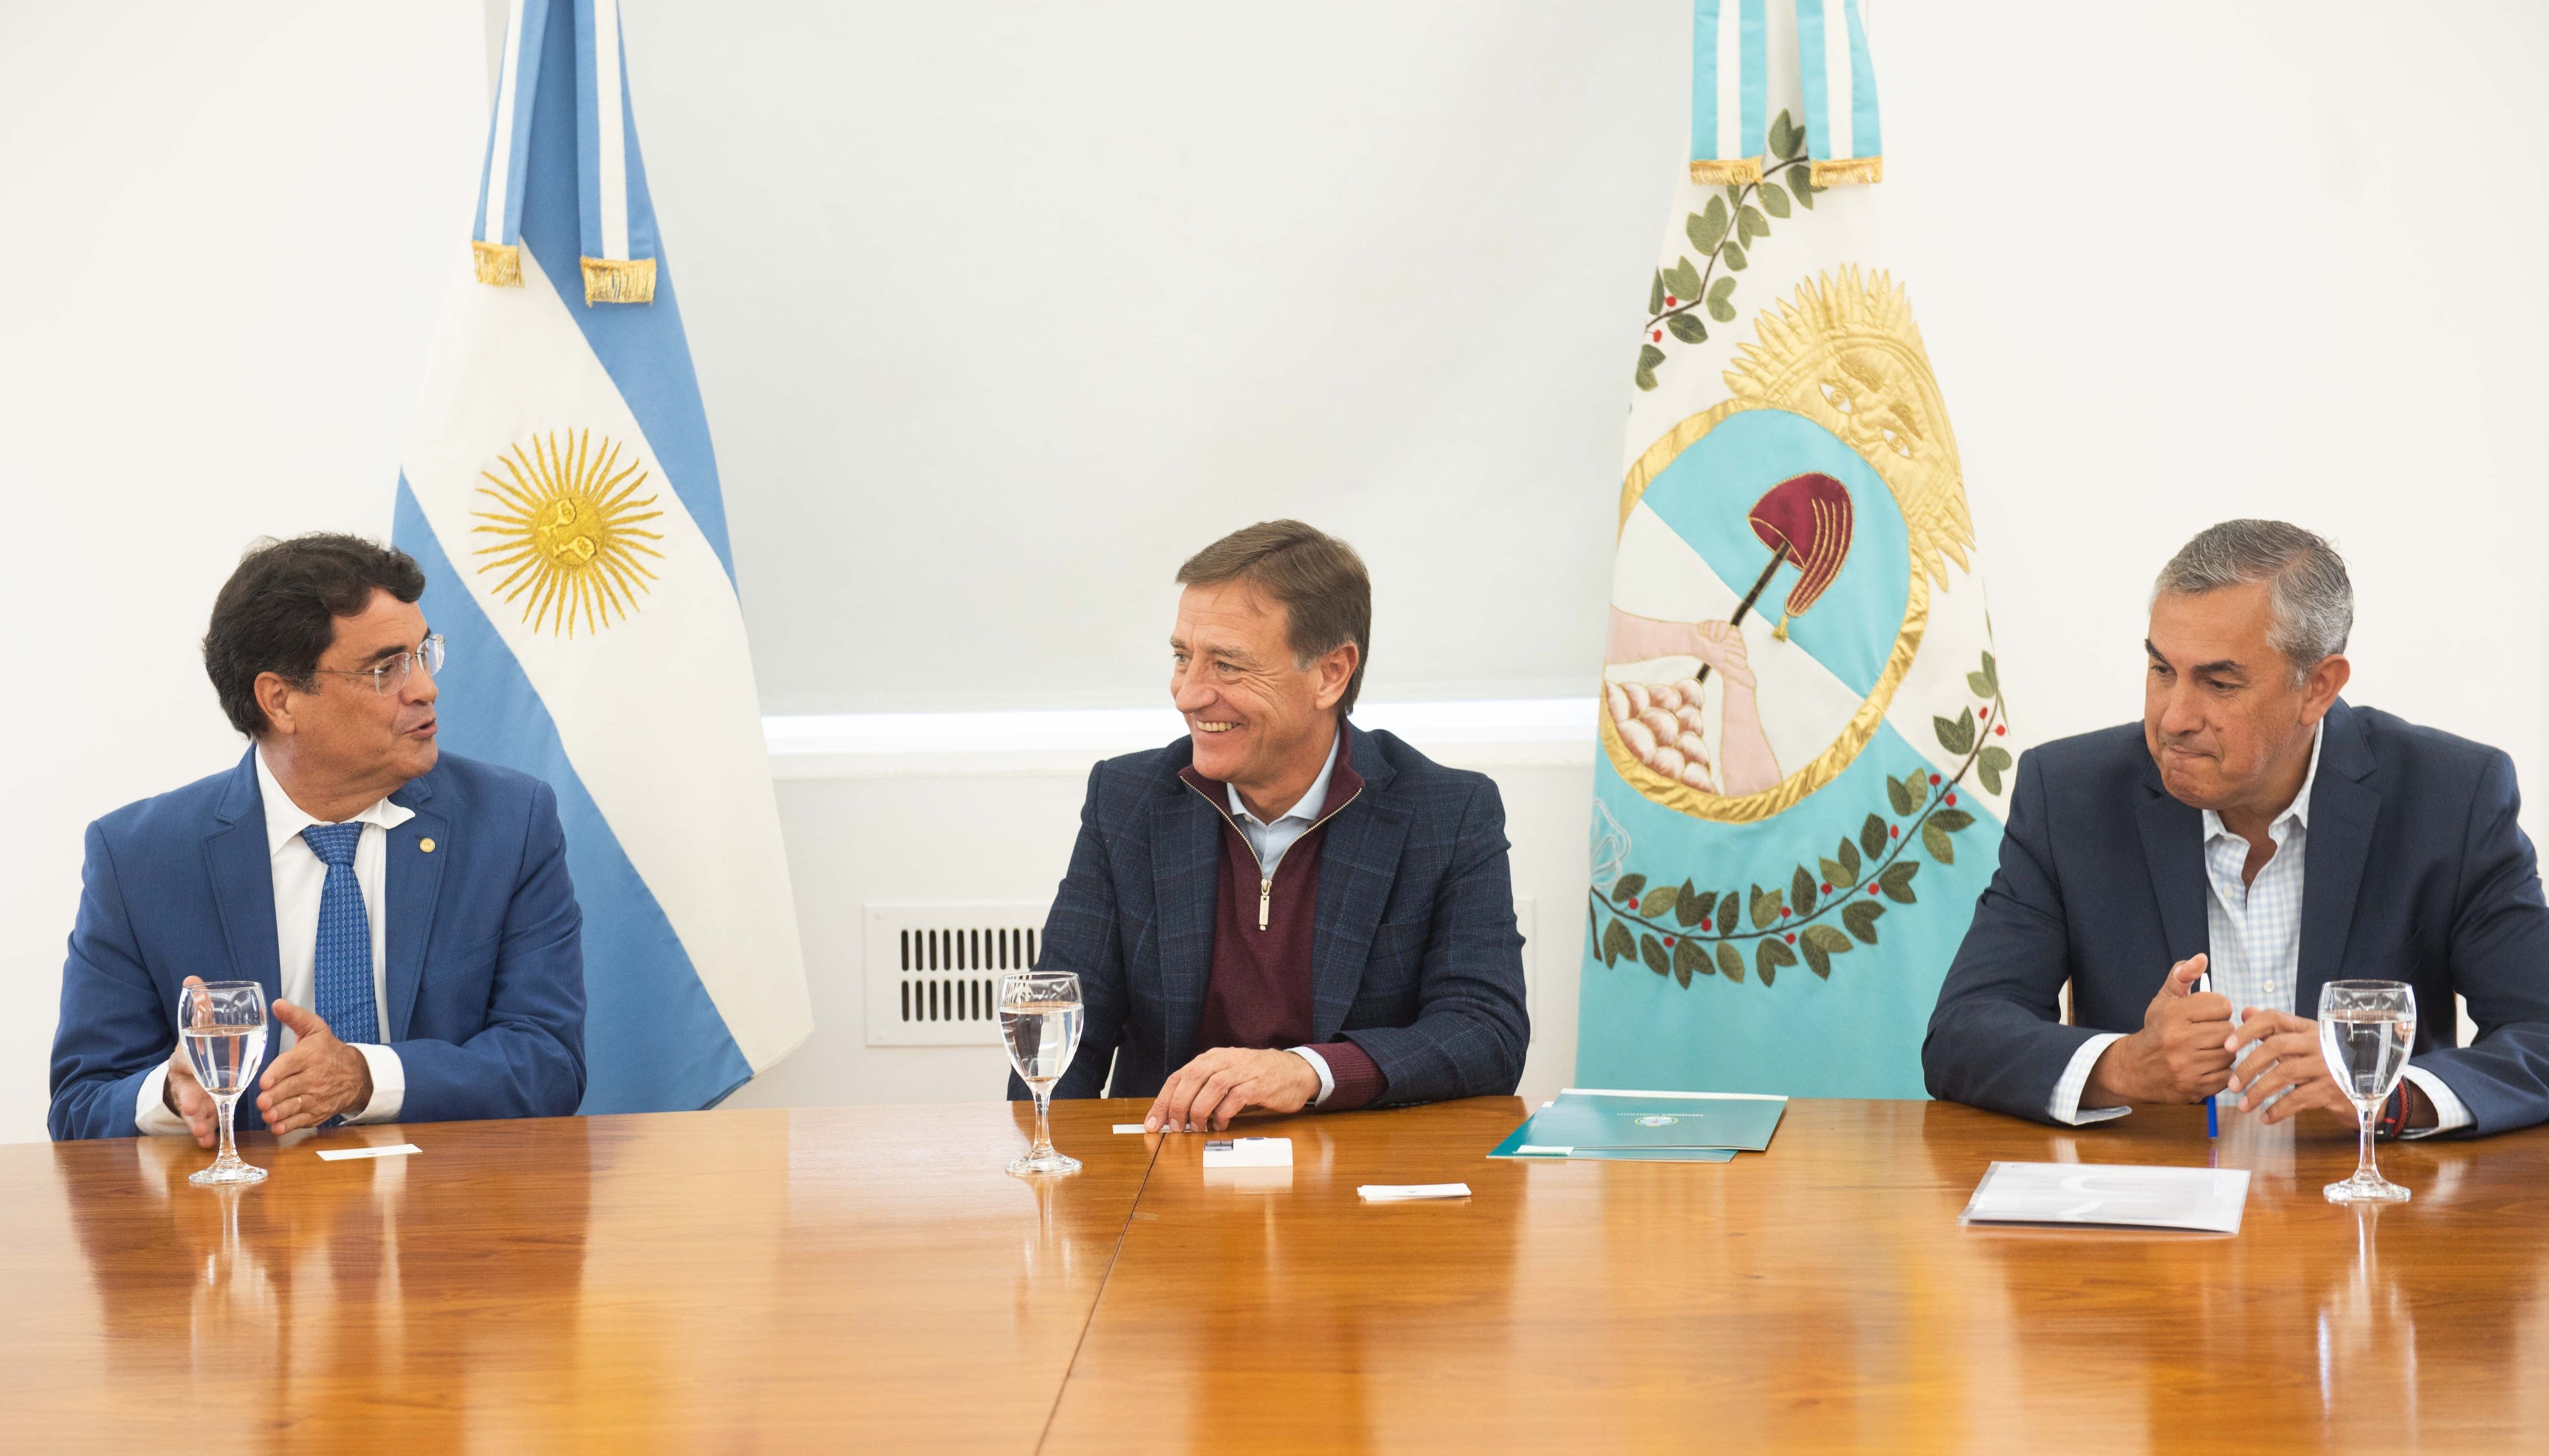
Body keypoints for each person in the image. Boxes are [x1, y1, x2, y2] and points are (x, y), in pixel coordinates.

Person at [1925, 520, 2549, 1136]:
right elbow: (1962, 1032)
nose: (2173, 718)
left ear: (2318, 688)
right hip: (2147, 1213)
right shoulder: (2068, 795)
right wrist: (2122, 1066)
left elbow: (2539, 1033)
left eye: (2218, 683)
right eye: (2161, 670)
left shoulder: (2449, 798)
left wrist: (2387, 1096)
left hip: (2368, 1210)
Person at [49, 534, 586, 1142]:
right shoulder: (139, 857)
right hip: (242, 1220)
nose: (425, 689)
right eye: (386, 669)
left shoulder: (510, 823)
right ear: (280, 700)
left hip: (444, 1207)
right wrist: (171, 1095)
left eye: (422, 654)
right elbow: (79, 1107)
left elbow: (550, 1065)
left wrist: (365, 1077)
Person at [1011, 520, 1530, 1131]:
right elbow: (1062, 1038)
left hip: (1354, 1182)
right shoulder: (1126, 801)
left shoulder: (1446, 810)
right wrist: (1062, 1189)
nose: (1187, 694)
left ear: (1330, 673)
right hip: (1164, 1179)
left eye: (1227, 666)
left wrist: (1309, 1071)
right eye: (1182, 657)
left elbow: (1485, 1031)